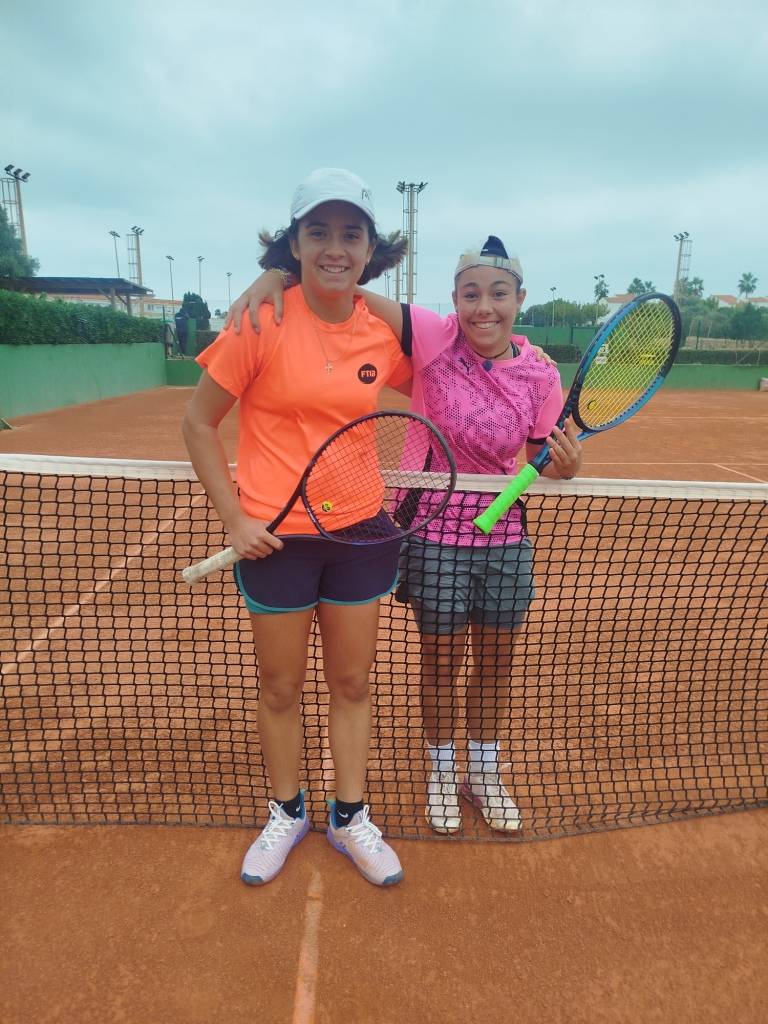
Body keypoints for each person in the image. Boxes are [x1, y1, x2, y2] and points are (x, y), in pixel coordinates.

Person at [228, 235, 582, 836]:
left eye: (498, 294)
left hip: (505, 542)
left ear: (520, 299)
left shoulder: (540, 374)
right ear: (454, 300)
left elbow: (541, 455)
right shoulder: (432, 335)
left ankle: (484, 773)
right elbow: (343, 285)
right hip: (435, 536)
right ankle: (442, 773)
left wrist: (565, 465)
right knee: (441, 664)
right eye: (471, 294)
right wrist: (280, 276)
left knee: (495, 666)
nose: (484, 308)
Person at [182, 168, 412, 886]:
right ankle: (287, 811)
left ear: (371, 248)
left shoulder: (389, 329)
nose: (335, 247)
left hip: (359, 536)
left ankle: (350, 817)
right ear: (295, 243)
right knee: (279, 688)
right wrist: (235, 516)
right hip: (275, 540)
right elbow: (198, 422)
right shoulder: (260, 322)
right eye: (319, 233)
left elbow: (466, 364)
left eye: (351, 234)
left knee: (352, 682)